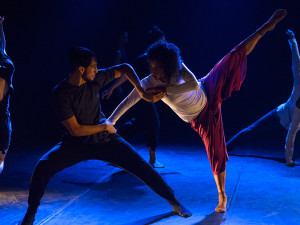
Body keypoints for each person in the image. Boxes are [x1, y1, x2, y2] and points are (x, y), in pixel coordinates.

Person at [108, 10, 287, 213]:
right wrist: (111, 122)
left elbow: (193, 85)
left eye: (158, 68)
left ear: (168, 65)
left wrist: (165, 91)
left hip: (206, 87)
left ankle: (265, 27)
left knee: (233, 55)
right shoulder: (148, 83)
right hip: (200, 118)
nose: (153, 71)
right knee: (216, 153)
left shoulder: (179, 68)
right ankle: (223, 196)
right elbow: (128, 101)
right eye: (151, 66)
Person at [18, 47, 191, 225]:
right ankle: (30, 215)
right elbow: (76, 130)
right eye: (93, 66)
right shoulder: (61, 94)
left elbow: (125, 67)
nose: (97, 69)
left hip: (105, 140)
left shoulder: (96, 79)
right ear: (81, 69)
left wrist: (141, 91)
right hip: (77, 143)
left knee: (141, 166)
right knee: (42, 168)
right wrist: (104, 127)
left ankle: (175, 203)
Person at [227, 29, 300, 167]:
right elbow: (296, 64)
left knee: (292, 130)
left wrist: (289, 159)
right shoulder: (299, 89)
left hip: (291, 124)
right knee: (252, 130)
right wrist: (293, 40)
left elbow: (291, 135)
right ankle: (225, 148)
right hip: (278, 115)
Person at [102, 26, 166, 168]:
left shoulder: (159, 60)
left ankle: (110, 143)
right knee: (154, 122)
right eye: (162, 41)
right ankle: (152, 159)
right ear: (155, 43)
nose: (165, 45)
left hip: (148, 97)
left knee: (138, 124)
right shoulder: (143, 58)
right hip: (139, 97)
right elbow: (126, 74)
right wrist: (112, 88)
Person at [0, 16, 15, 174]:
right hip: (3, 115)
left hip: (3, 114)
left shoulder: (4, 57)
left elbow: (3, 43)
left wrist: (0, 27)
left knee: (1, 157)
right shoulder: (5, 60)